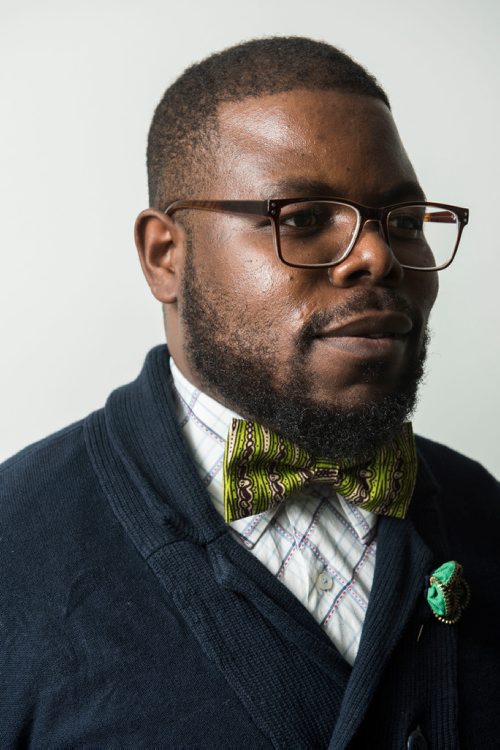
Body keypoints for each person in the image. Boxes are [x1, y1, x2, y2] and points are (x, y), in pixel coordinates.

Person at [1, 36, 499, 749]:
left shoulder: (482, 509)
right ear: (164, 257)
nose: (377, 256)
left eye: (405, 223)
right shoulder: (16, 547)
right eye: (300, 219)